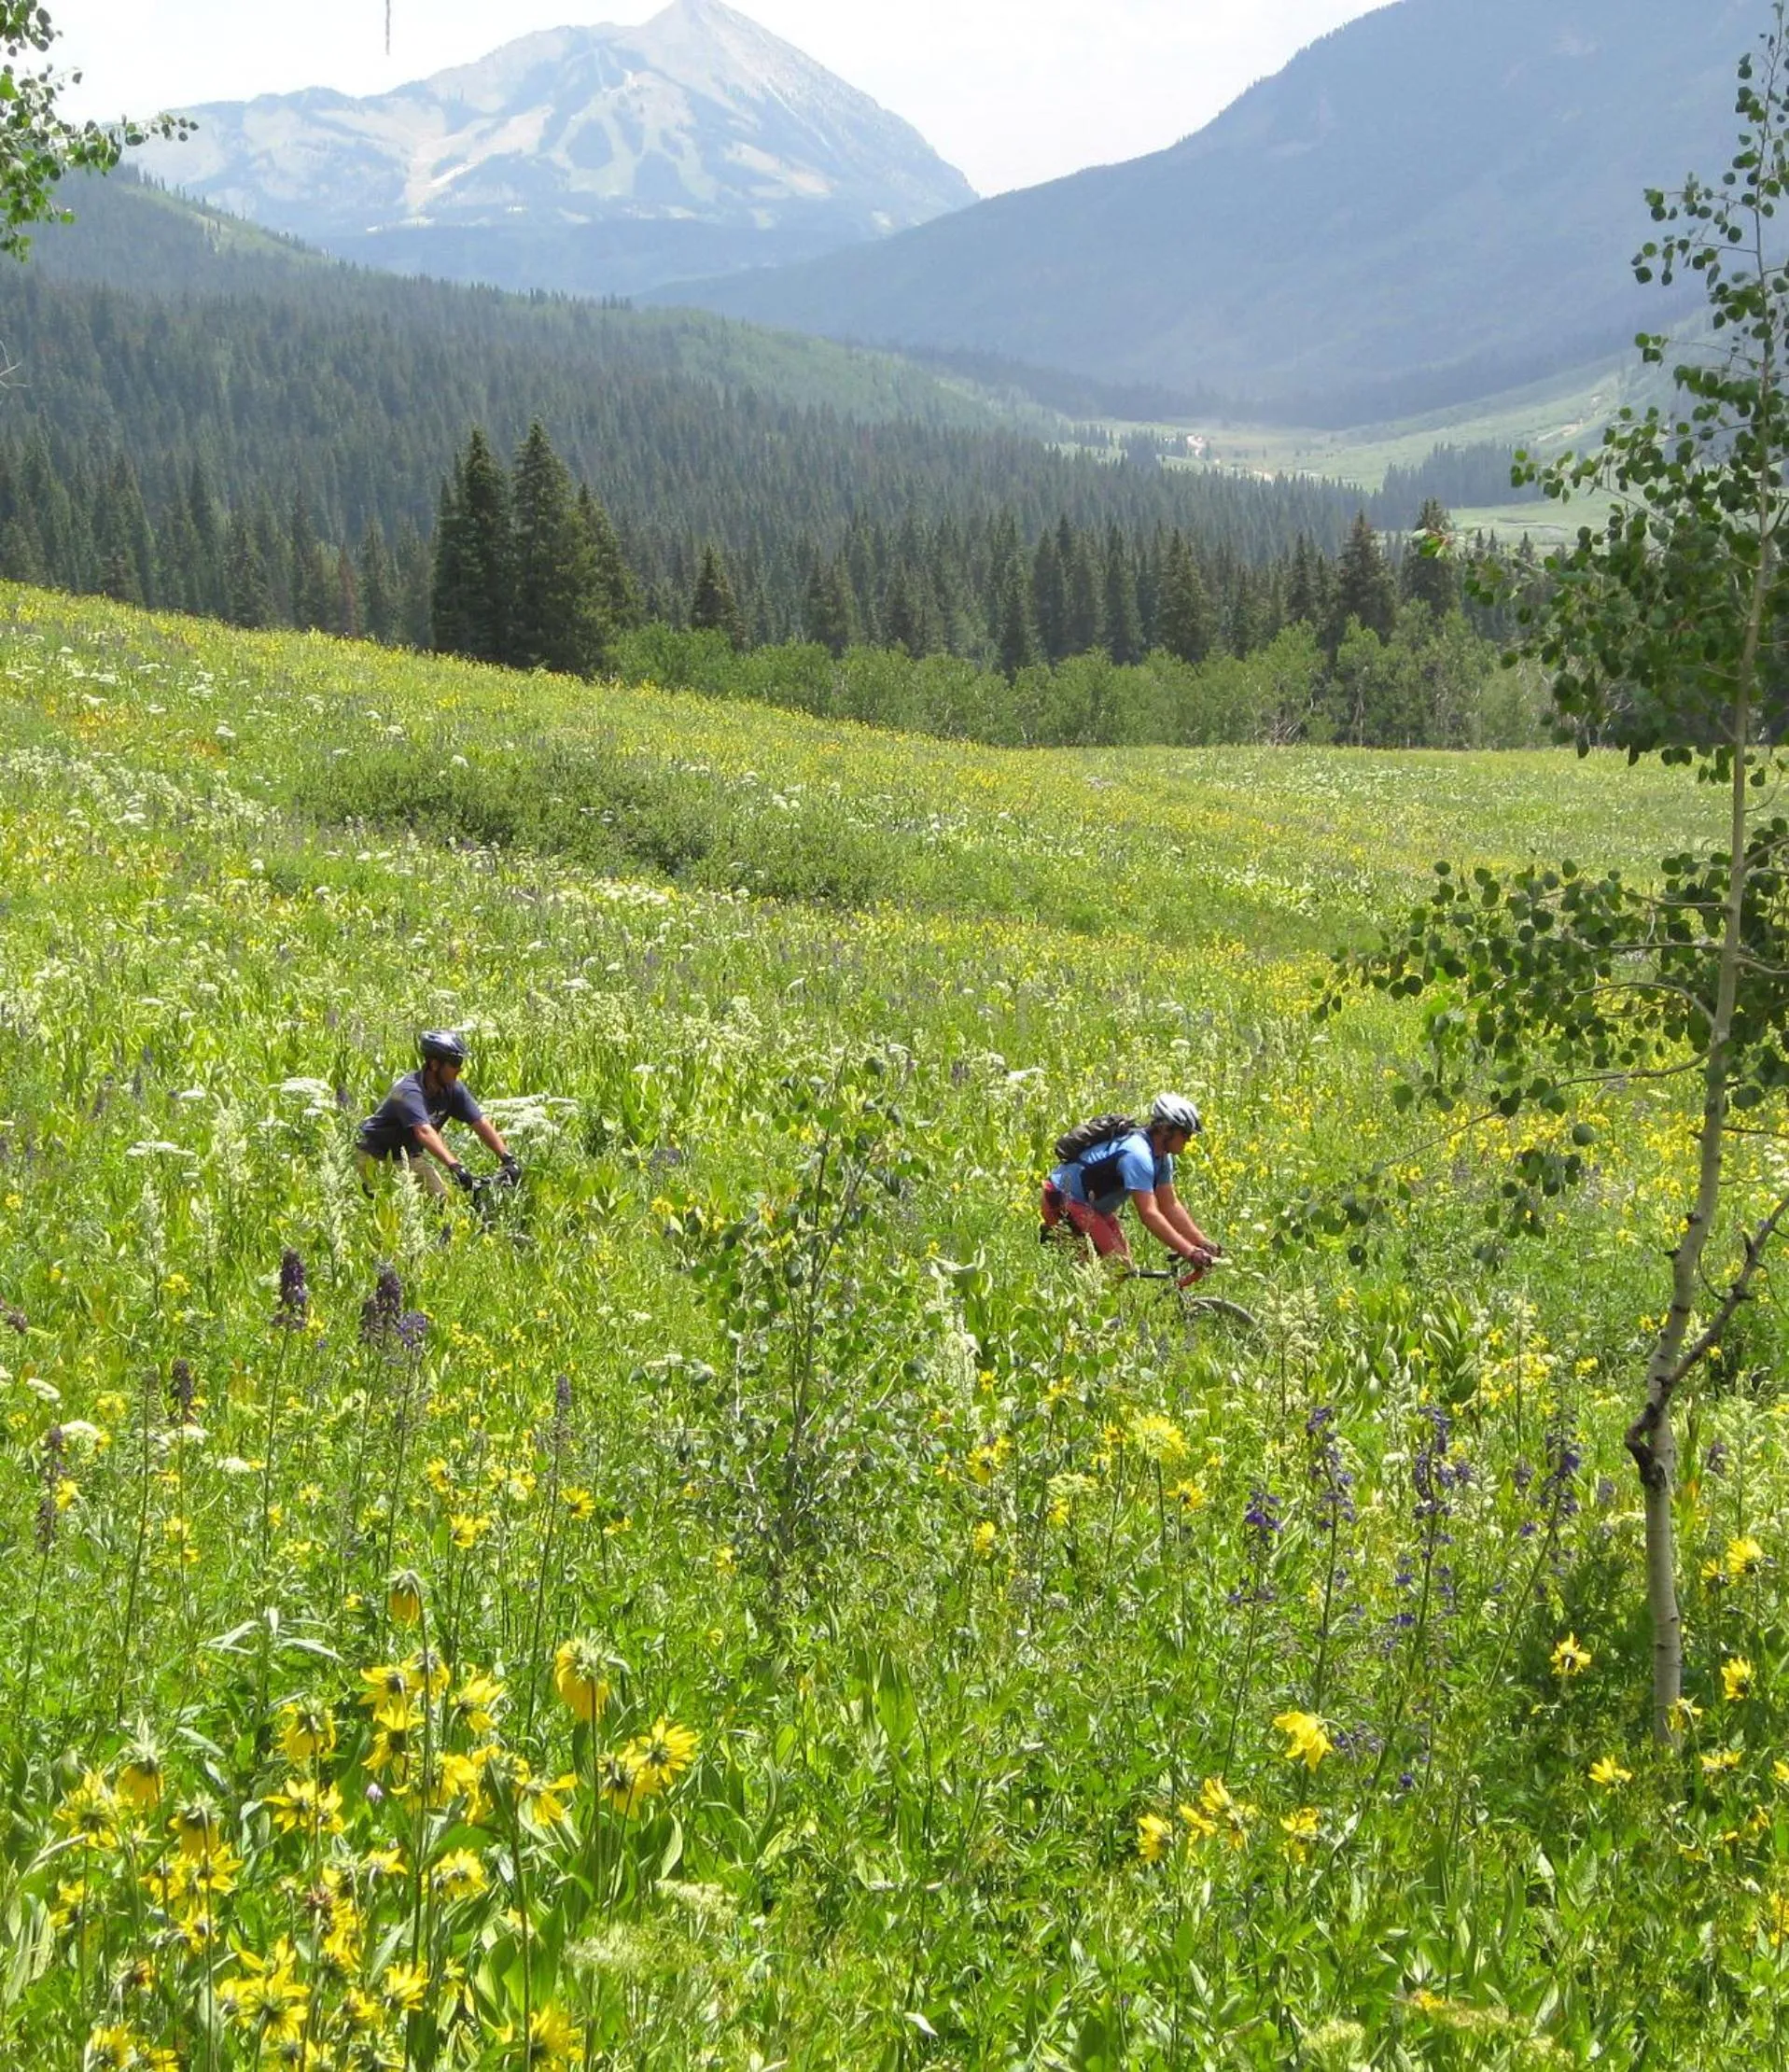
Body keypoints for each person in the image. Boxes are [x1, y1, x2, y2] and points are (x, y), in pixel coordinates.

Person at [1041, 1093, 1220, 1273]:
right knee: (1117, 1266)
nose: (1189, 1139)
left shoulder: (1162, 1158)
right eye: (1185, 1133)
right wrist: (1189, 1252)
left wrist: (1201, 1242)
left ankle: (1090, 1295)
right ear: (1166, 1129)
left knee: (1122, 1270)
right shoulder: (1137, 1154)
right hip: (1063, 1197)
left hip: (1094, 1209)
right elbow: (1149, 1214)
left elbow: (1170, 1205)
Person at [356, 1031, 518, 1199]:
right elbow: (424, 1131)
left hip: (409, 1157)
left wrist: (507, 1158)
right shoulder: (409, 1092)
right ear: (434, 1064)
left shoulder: (453, 1089)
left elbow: (479, 1122)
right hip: (375, 1157)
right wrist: (455, 1166)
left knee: (441, 1200)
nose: (460, 1068)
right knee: (386, 1206)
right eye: (455, 1062)